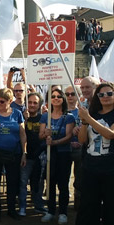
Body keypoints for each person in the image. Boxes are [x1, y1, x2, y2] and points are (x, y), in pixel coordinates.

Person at [0, 88, 27, 222]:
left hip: (14, 153)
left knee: (12, 182)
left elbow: (22, 134)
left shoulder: (17, 114)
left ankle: (11, 209)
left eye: (2, 101)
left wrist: (24, 152)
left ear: (10, 101)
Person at [76, 83, 114, 225]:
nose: (105, 97)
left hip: (110, 169)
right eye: (101, 95)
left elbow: (110, 135)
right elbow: (82, 140)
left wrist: (89, 119)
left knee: (110, 206)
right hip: (91, 167)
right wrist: (84, 122)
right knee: (89, 206)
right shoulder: (93, 114)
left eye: (109, 94)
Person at [39, 89, 75, 224]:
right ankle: (51, 211)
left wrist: (55, 142)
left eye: (59, 96)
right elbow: (40, 135)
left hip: (63, 154)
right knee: (50, 182)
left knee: (63, 184)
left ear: (63, 98)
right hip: (50, 154)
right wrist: (45, 134)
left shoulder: (69, 117)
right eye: (53, 96)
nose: (56, 98)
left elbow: (69, 136)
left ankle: (63, 212)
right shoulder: (45, 116)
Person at [18, 92, 46, 216]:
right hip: (25, 156)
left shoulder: (44, 118)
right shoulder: (21, 117)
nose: (32, 105)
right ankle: (22, 207)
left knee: (38, 183)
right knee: (23, 182)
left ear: (39, 104)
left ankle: (38, 205)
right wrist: (24, 119)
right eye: (30, 102)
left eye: (35, 102)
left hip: (39, 156)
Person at [65, 85, 82, 210]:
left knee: (79, 176)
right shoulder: (61, 111)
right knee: (64, 176)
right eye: (67, 94)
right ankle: (64, 200)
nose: (70, 96)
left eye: (73, 94)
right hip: (65, 148)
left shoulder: (83, 110)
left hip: (80, 148)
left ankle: (78, 199)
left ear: (78, 96)